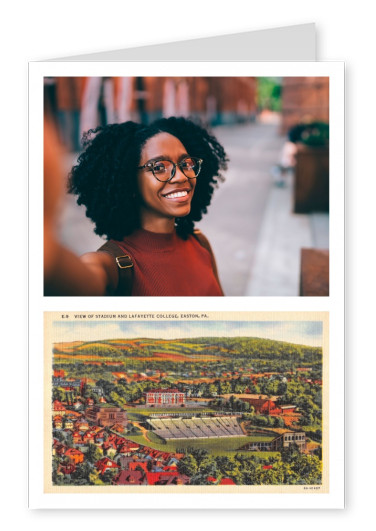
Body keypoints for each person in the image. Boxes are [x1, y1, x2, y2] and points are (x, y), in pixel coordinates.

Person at [45, 116, 228, 296]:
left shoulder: (200, 243)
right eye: (159, 167)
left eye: (186, 163)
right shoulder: (111, 266)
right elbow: (70, 279)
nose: (181, 176)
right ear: (129, 181)